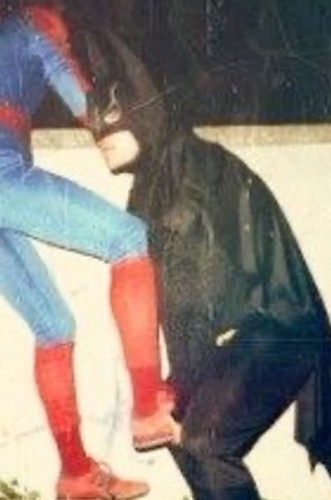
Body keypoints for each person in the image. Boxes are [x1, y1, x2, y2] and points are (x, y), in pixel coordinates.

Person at [0, 1, 180, 498]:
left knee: (53, 327)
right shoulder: (32, 31)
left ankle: (75, 474)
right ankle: (147, 408)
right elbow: (90, 109)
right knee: (127, 238)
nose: (63, 37)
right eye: (62, 29)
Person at [69, 22, 331, 500]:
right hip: (237, 337)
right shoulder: (152, 184)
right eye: (95, 121)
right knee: (181, 435)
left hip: (277, 325)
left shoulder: (191, 167)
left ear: (146, 110)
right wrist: (178, 391)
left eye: (115, 114)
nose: (100, 132)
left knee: (201, 439)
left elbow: (202, 287)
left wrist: (182, 389)